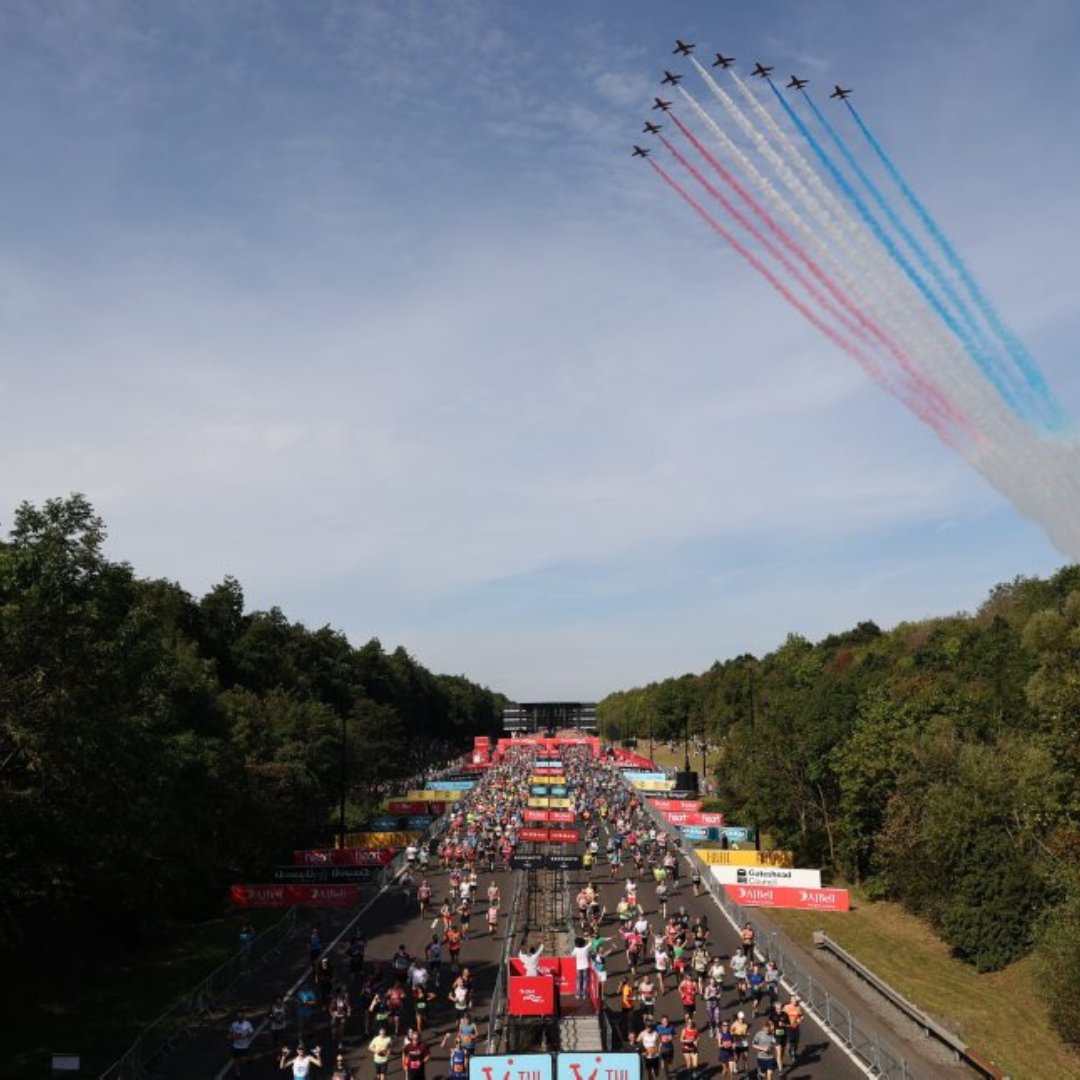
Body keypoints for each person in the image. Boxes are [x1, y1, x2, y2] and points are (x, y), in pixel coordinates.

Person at [228, 1012, 255, 1076]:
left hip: (244, 1046)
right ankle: (237, 1072)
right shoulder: (234, 1024)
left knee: (243, 1060)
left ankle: (248, 1060)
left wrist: (244, 1036)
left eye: (240, 1017)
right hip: (236, 1046)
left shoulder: (247, 1024)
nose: (239, 1018)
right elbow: (230, 1033)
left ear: (243, 1017)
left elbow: (251, 1033)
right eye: (238, 1017)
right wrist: (230, 1036)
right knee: (236, 1060)